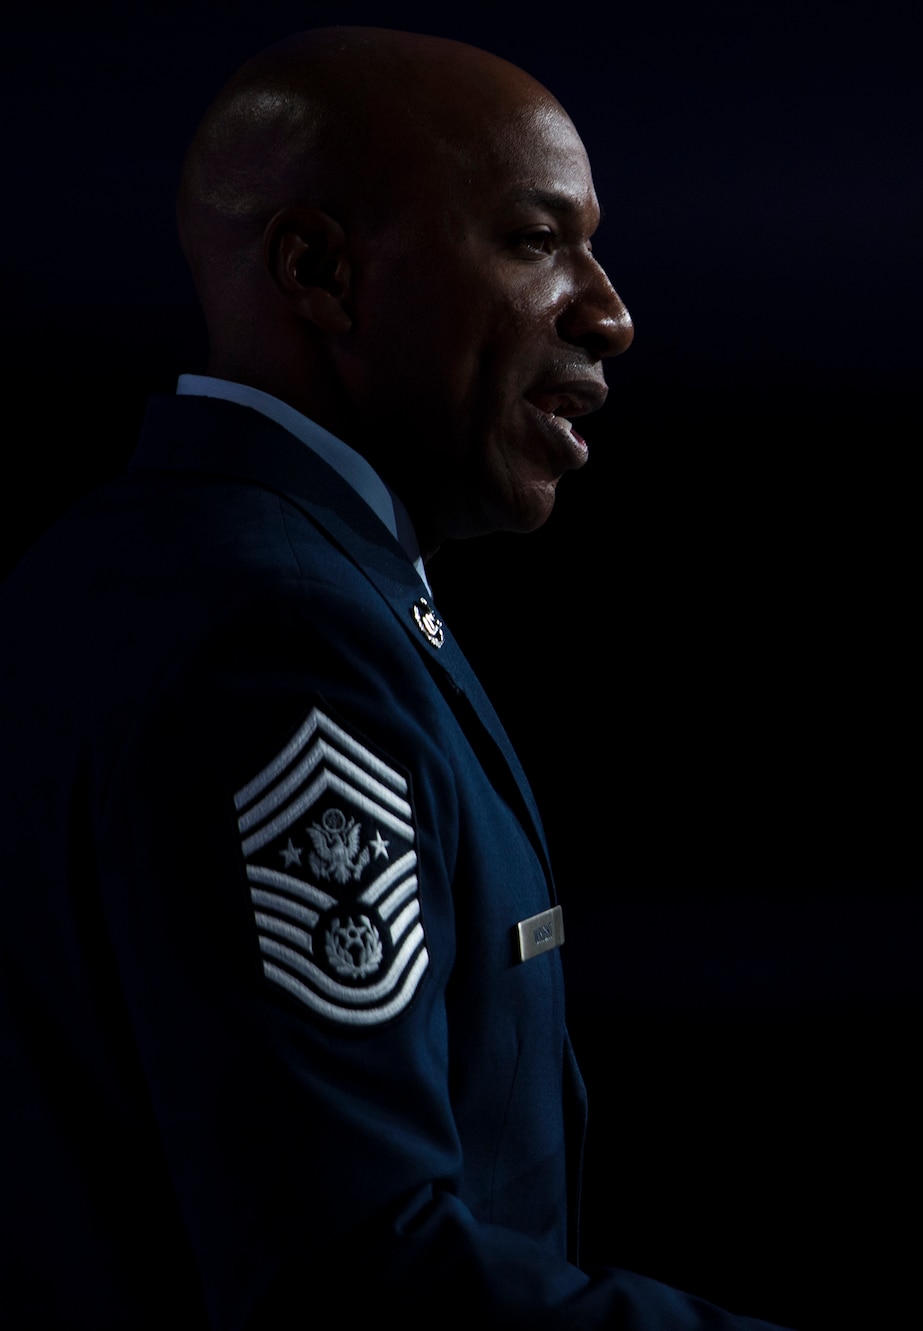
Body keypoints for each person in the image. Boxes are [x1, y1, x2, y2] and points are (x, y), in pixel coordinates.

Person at [0, 28, 788, 1329]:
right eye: (537, 242)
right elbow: (360, 1282)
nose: (610, 311)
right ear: (318, 270)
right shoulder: (278, 638)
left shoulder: (115, 570)